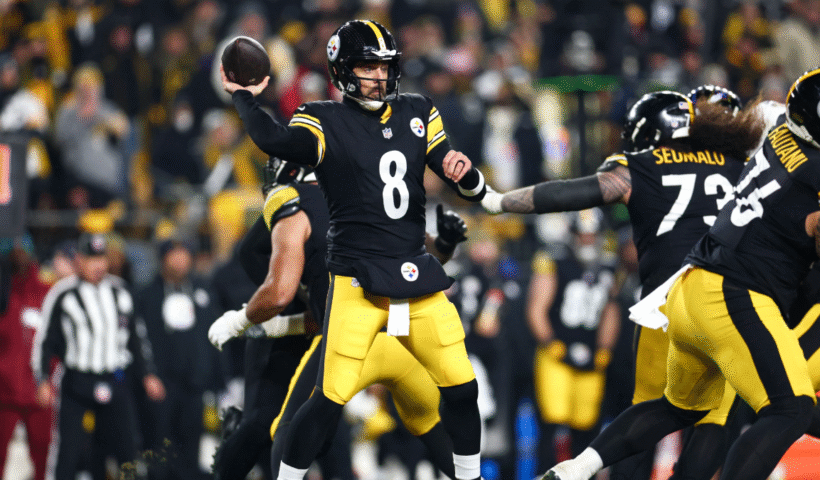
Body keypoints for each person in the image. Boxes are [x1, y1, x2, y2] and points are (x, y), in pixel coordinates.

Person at [221, 19, 487, 480]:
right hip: (358, 288)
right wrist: (245, 98)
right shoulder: (324, 121)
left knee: (462, 391)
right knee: (331, 405)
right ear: (343, 70)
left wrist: (464, 174)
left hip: (412, 282)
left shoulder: (417, 110)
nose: (379, 78)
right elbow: (276, 139)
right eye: (367, 68)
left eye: (384, 68)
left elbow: (449, 164)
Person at [536, 69, 820, 480]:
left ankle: (579, 467)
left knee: (678, 406)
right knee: (780, 408)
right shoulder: (781, 154)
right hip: (744, 296)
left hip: (681, 293)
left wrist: (496, 200)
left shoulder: (774, 136)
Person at [483, 86, 762, 478]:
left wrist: (497, 201)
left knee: (647, 410)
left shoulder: (643, 164)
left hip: (666, 305)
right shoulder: (741, 163)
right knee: (720, 419)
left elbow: (571, 193)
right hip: (729, 305)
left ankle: (588, 469)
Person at [209, 157, 469, 480]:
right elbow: (260, 266)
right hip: (361, 335)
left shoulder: (312, 204)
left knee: (306, 432)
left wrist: (247, 321)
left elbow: (415, 260)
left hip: (342, 334)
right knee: (267, 426)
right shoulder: (337, 203)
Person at [32, 233, 166, 480]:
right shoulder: (63, 294)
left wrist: (149, 374)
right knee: (68, 451)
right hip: (77, 381)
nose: (98, 265)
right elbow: (45, 341)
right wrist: (42, 379)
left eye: (101, 258)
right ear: (79, 261)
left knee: (127, 447)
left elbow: (137, 337)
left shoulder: (121, 291)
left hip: (115, 378)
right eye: (92, 259)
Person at [526, 209, 620, 473]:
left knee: (586, 426)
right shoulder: (555, 259)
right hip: (556, 353)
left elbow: (610, 310)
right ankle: (544, 475)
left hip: (591, 355)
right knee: (553, 422)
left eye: (592, 235)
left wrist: (605, 349)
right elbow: (536, 308)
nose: (588, 240)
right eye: (583, 234)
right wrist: (551, 343)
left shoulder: (608, 266)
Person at [134, 239, 216, 480]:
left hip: (194, 384)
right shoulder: (146, 295)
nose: (180, 260)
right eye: (174, 254)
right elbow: (139, 339)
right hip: (161, 384)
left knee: (191, 448)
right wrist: (147, 374)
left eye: (185, 254)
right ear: (162, 258)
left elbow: (212, 334)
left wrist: (213, 376)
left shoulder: (203, 291)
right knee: (159, 447)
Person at [0, 235, 52, 480]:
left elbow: (55, 343)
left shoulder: (47, 294)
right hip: (4, 390)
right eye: (14, 251)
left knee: (43, 457)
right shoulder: (3, 294)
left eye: (24, 250)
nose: (19, 256)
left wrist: (49, 380)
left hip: (38, 390)